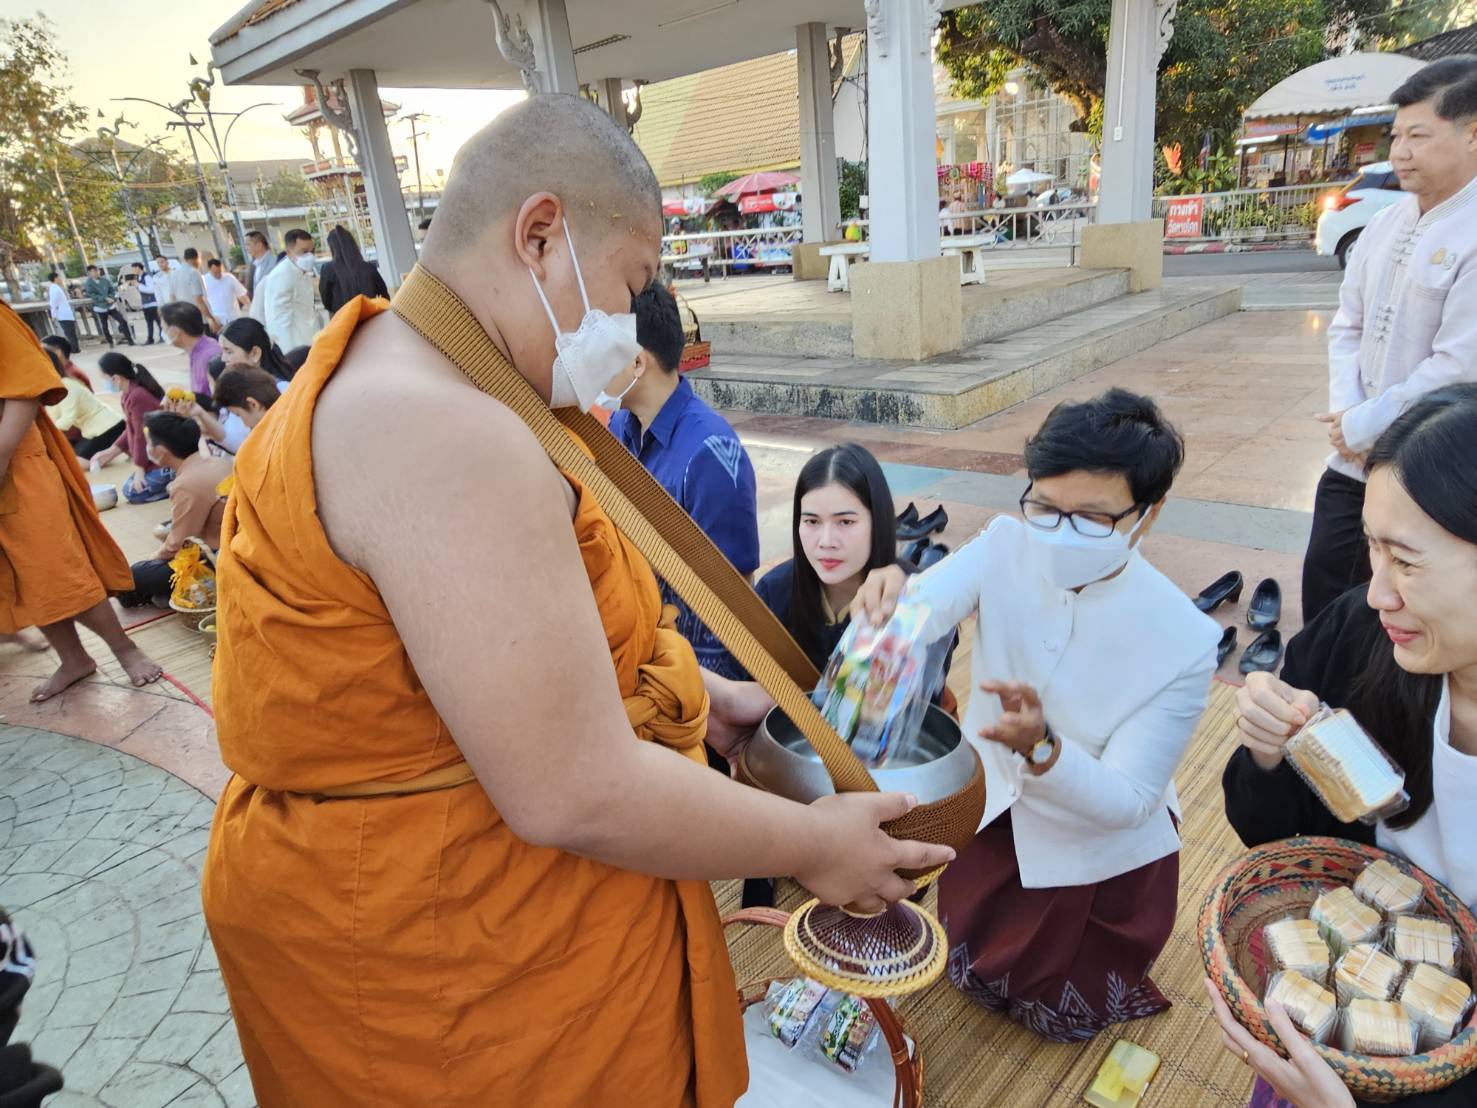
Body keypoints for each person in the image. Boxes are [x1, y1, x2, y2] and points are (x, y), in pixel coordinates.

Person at [200, 94, 951, 1107]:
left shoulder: (406, 375)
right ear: (540, 235)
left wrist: (693, 694)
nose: (635, 319)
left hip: (404, 891)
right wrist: (816, 844)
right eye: (633, 279)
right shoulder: (446, 434)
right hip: (450, 942)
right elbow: (570, 788)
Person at [855, 388, 1221, 1043]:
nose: (1058, 531)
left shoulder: (1182, 640)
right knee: (977, 935)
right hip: (994, 807)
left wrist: (1043, 748)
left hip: (1094, 845)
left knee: (1060, 978)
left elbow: (1130, 800)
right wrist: (890, 598)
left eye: (1091, 517)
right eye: (1046, 507)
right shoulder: (1006, 544)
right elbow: (926, 607)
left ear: (1149, 513)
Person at [1218, 384, 1477, 1108]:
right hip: (1331, 1016)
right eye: (1370, 548)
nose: (1375, 592)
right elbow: (1270, 838)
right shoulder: (1361, 639)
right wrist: (1268, 754)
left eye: (1405, 560)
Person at [1302, 56, 1477, 624]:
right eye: (1396, 135)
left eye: (1418, 136)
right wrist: (1346, 411)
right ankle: (1315, 702)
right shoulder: (1385, 222)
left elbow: (1458, 365)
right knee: (1327, 585)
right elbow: (1347, 323)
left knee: (1400, 610)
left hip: (1428, 470)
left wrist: (1364, 425)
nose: (1399, 151)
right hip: (1351, 461)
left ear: (1472, 134)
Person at [0, 302, 162, 701]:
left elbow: (28, 387)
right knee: (25, 578)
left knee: (55, 564)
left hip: (15, 462)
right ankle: (72, 658)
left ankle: (126, 650)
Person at [604, 283, 759, 679]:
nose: (592, 364)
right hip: (645, 654)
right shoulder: (622, 426)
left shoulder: (710, 453)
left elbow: (735, 596)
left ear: (638, 363)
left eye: (603, 351)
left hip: (697, 676)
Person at [117, 412, 231, 608]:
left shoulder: (186, 484)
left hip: (220, 557)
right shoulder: (219, 463)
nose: (147, 448)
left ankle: (166, 595)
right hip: (235, 543)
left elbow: (177, 543)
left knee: (132, 577)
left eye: (149, 443)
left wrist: (152, 558)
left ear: (160, 451)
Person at [86, 352, 170, 503]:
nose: (104, 383)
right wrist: (111, 451)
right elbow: (130, 429)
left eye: (104, 378)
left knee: (132, 493)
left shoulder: (138, 395)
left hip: (165, 459)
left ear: (116, 378)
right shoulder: (128, 395)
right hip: (154, 459)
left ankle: (171, 484)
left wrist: (139, 469)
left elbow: (140, 435)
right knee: (129, 487)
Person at [41, 347, 124, 460]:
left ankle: (108, 455)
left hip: (108, 427)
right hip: (92, 431)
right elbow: (53, 417)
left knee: (76, 462)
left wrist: (44, 432)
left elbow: (67, 420)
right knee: (71, 457)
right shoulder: (53, 387)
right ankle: (112, 452)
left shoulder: (65, 385)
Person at [257, 228, 319, 352]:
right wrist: (289, 356)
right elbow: (279, 320)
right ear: (289, 252)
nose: (310, 256)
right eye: (304, 251)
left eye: (312, 251)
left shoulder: (301, 271)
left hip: (310, 341)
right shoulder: (281, 275)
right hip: (295, 348)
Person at [318, 224, 389, 315]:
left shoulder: (327, 269)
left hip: (344, 320)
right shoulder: (368, 268)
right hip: (370, 318)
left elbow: (326, 300)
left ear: (332, 247)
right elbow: (384, 296)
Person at [160, 302, 222, 397]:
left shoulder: (210, 355)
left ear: (176, 330)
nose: (164, 333)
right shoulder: (197, 351)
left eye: (164, 328)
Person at [219, 317, 295, 387]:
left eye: (229, 352)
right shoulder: (240, 385)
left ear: (255, 354)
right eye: (222, 352)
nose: (223, 359)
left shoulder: (281, 389)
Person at [81, 265, 135, 348]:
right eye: (94, 271)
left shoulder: (105, 280)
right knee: (105, 325)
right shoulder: (88, 283)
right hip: (100, 307)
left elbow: (112, 290)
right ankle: (110, 342)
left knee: (122, 321)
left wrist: (111, 298)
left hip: (111, 306)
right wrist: (105, 298)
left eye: (97, 271)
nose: (97, 273)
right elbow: (92, 295)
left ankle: (129, 339)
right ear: (89, 273)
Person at [171, 247, 217, 334]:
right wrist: (210, 318)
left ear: (184, 258)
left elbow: (172, 297)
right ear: (197, 258)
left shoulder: (174, 274)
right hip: (198, 317)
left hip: (183, 317)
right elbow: (198, 299)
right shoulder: (194, 272)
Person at [203, 258, 250, 327]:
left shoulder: (229, 277)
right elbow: (203, 301)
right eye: (215, 273)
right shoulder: (204, 280)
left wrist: (250, 307)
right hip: (218, 320)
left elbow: (241, 294)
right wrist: (211, 318)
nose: (218, 275)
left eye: (219, 272)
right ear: (209, 270)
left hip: (234, 317)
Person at [244, 230, 281, 303]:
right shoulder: (254, 265)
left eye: (248, 244)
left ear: (259, 245)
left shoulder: (275, 262)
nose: (246, 248)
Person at [46, 272, 78, 352]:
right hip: (63, 314)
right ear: (55, 278)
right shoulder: (54, 289)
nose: (60, 279)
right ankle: (74, 348)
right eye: (59, 277)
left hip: (65, 314)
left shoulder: (56, 288)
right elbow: (53, 303)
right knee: (69, 332)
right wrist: (53, 316)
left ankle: (75, 348)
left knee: (70, 332)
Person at [133, 261, 163, 344]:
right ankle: (150, 339)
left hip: (152, 303)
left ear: (138, 268)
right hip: (146, 304)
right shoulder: (138, 278)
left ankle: (162, 337)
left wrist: (139, 285)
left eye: (134, 269)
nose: (133, 271)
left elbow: (151, 289)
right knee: (149, 323)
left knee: (158, 321)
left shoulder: (147, 277)